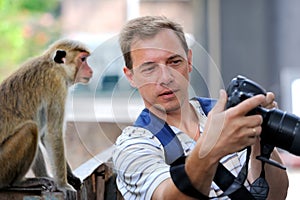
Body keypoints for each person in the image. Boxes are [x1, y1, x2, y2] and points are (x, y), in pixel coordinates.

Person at [112, 16, 289, 200]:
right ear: (130, 76)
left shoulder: (226, 114)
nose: (166, 78)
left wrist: (261, 139)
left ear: (189, 61)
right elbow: (170, 198)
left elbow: (275, 195)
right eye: (149, 68)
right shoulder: (132, 146)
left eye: (174, 62)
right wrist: (212, 148)